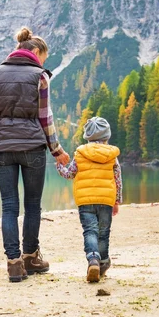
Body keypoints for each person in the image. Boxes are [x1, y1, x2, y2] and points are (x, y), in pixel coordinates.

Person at [0, 27, 70, 282]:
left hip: (3, 148)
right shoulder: (39, 76)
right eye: (44, 57)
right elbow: (45, 117)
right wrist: (57, 150)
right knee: (32, 205)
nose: (43, 63)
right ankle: (31, 257)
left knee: (9, 206)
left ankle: (14, 263)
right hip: (32, 148)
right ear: (36, 52)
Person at [56, 116, 123, 283]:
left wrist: (59, 165)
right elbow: (117, 179)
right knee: (103, 232)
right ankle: (103, 263)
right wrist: (116, 201)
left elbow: (70, 174)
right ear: (107, 137)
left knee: (90, 231)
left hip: (85, 201)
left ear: (87, 136)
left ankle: (92, 258)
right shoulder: (112, 155)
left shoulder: (80, 153)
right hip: (106, 200)